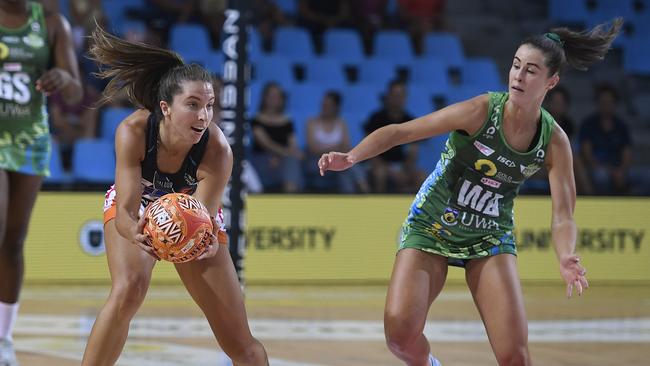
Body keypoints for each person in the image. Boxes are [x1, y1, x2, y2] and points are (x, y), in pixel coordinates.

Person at [319, 19, 621, 366]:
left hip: (489, 236)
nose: (519, 76)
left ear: (551, 81)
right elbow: (402, 132)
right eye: (516, 65)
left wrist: (565, 254)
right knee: (400, 336)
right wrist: (353, 156)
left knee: (515, 357)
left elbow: (563, 215)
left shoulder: (554, 142)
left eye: (531, 71)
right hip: (432, 223)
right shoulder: (481, 110)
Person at [81, 26, 268, 365]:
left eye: (210, 106)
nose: (204, 116)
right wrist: (135, 232)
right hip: (140, 204)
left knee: (239, 342)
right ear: (165, 108)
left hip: (192, 213)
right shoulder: (134, 131)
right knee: (128, 290)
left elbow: (204, 217)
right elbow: (124, 210)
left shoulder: (218, 151)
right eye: (193, 105)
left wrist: (207, 238)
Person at [0, 1, 82, 364]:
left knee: (13, 241)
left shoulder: (50, 22)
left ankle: (2, 338)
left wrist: (63, 78)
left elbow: (77, 91)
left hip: (31, 140)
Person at [363, 79, 424, 193]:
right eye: (395, 95)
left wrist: (405, 169)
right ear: (388, 96)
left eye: (401, 95)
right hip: (379, 165)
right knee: (379, 173)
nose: (398, 99)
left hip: (401, 166)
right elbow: (367, 149)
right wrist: (390, 171)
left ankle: (414, 208)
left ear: (405, 97)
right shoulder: (376, 118)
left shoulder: (410, 120)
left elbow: (413, 152)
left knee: (421, 177)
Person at [305, 91, 369, 193]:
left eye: (328, 105)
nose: (324, 108)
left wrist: (329, 150)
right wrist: (335, 149)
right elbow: (313, 148)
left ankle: (352, 194)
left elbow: (346, 146)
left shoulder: (341, 123)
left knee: (346, 168)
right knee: (347, 164)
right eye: (323, 104)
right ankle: (364, 189)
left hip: (337, 162)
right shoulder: (311, 122)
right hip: (317, 161)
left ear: (336, 107)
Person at [250, 81, 304, 193]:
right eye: (272, 96)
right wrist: (285, 154)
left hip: (283, 159)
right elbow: (265, 143)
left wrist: (281, 157)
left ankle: (290, 196)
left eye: (278, 96)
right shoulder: (256, 120)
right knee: (291, 160)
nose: (275, 99)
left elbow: (293, 143)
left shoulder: (287, 121)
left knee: (292, 162)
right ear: (264, 98)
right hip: (262, 158)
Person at [579, 83, 632, 195]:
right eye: (603, 103)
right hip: (597, 168)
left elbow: (626, 154)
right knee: (601, 177)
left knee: (644, 177)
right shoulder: (588, 125)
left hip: (618, 168)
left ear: (615, 104)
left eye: (609, 103)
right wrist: (607, 170)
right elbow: (587, 154)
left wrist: (621, 170)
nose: (606, 106)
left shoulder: (621, 126)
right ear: (598, 103)